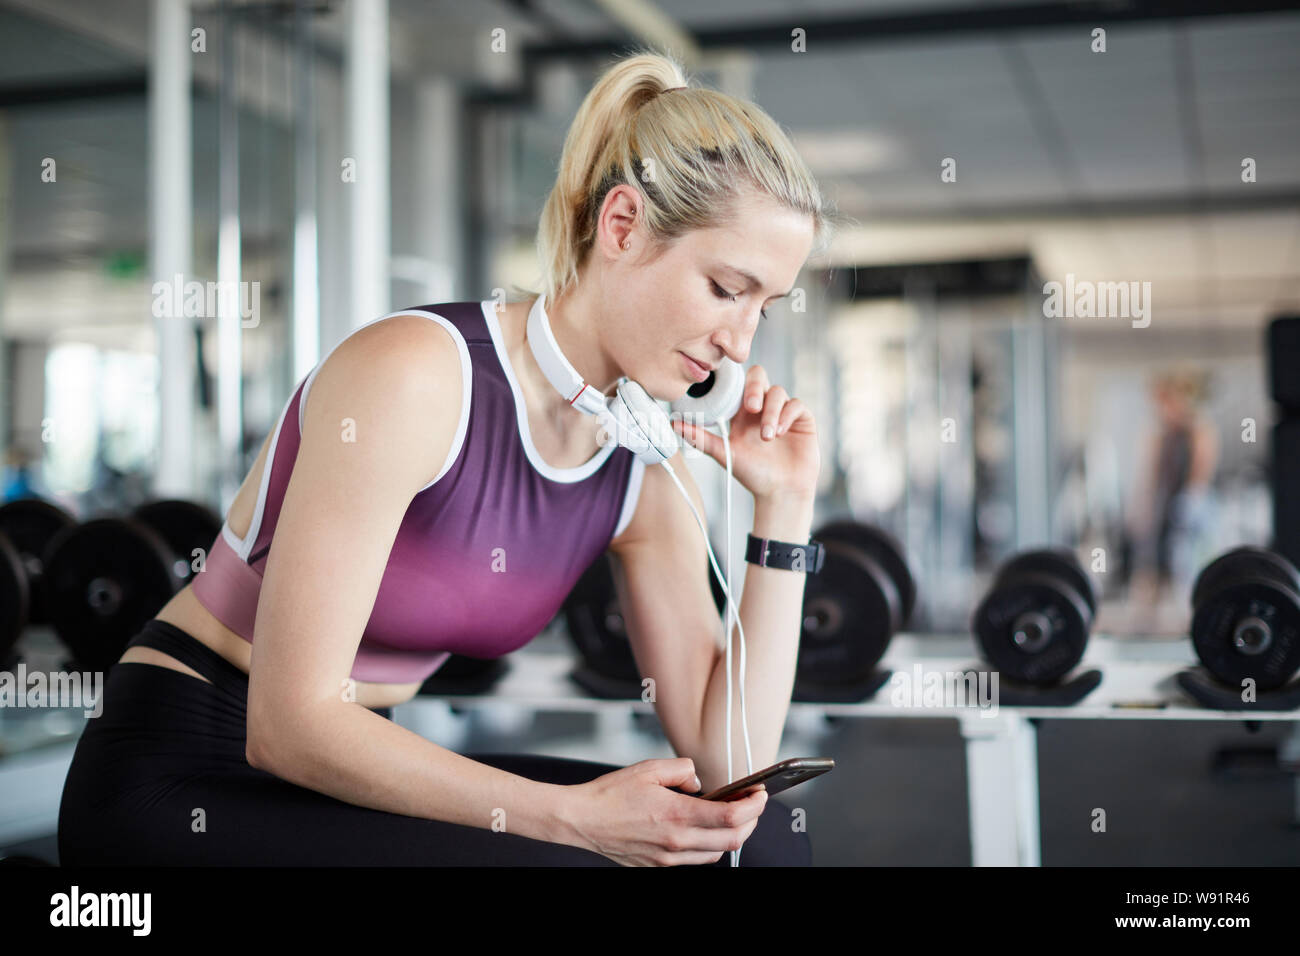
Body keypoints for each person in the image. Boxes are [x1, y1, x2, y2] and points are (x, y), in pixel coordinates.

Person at [58, 50, 837, 866]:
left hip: (353, 775)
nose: (741, 342)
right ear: (622, 225)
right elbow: (288, 726)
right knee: (584, 854)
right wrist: (577, 817)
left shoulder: (640, 460)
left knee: (757, 839)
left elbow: (731, 766)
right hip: (189, 766)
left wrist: (784, 511)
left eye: (765, 306)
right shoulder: (417, 375)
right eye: (725, 288)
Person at [1125, 369, 1219, 626]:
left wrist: (1192, 497)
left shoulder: (1199, 430)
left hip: (1190, 506)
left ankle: (1193, 617)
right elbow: (1150, 474)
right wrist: (1143, 506)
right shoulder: (1161, 434)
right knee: (1153, 561)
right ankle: (1147, 617)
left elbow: (1201, 469)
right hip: (1164, 506)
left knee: (1185, 564)